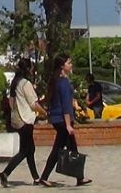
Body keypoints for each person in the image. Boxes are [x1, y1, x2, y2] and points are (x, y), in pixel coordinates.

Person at [38, 54, 91, 187]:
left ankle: (79, 177)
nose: (71, 65)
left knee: (72, 147)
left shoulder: (56, 81)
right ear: (62, 66)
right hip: (63, 120)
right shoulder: (63, 82)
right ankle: (44, 177)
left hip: (57, 118)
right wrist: (68, 124)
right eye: (69, 63)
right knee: (59, 149)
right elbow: (66, 105)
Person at [0, 58, 46, 187]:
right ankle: (5, 173)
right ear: (28, 69)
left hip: (17, 119)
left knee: (29, 149)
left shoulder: (15, 83)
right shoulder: (25, 84)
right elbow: (33, 104)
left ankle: (36, 178)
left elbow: (11, 102)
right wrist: (44, 112)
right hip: (25, 119)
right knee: (26, 150)